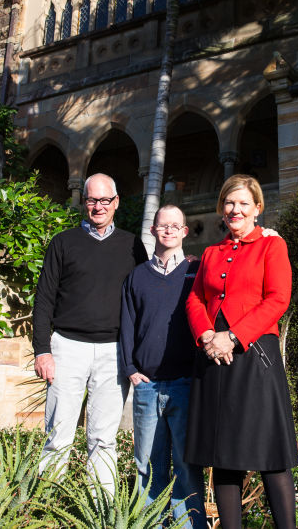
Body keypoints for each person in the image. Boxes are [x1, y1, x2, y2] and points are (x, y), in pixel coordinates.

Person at [184, 174, 298, 529]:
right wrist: (205, 334)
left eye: (243, 203)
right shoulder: (211, 253)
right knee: (224, 456)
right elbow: (195, 298)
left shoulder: (271, 246)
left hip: (254, 358)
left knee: (270, 454)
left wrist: (232, 337)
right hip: (215, 359)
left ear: (257, 208)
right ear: (222, 207)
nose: (235, 209)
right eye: (230, 203)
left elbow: (278, 298)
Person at [32, 172, 148, 494]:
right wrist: (42, 350)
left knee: (103, 439)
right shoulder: (63, 243)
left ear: (116, 203)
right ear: (84, 202)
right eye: (92, 200)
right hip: (67, 348)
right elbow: (44, 299)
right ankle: (48, 505)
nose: (99, 206)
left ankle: (100, 509)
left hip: (113, 352)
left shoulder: (132, 246)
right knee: (59, 434)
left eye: (105, 200)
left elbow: (144, 297)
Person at [119, 204, 207, 528]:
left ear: (184, 232)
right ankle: (152, 524)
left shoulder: (195, 274)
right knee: (147, 467)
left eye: (175, 225)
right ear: (154, 230)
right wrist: (130, 369)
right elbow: (127, 325)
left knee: (186, 467)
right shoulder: (137, 277)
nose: (168, 230)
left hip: (185, 385)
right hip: (147, 388)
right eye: (162, 225)